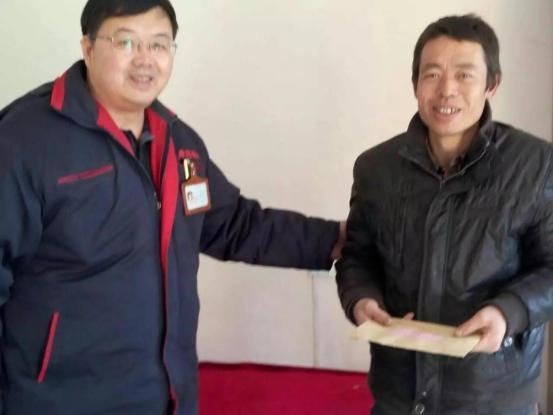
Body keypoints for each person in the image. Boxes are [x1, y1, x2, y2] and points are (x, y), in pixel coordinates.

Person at [0, 1, 345, 414]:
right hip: (59, 401)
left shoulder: (179, 142)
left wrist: (337, 240)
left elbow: (235, 226)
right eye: (127, 42)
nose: (145, 59)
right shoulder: (25, 141)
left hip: (166, 397)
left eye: (160, 44)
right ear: (88, 48)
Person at [336, 14, 552, 415]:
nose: (446, 90)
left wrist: (507, 313)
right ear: (415, 84)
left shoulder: (537, 165)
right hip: (399, 393)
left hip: (494, 397)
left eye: (465, 75)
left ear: (492, 84)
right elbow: (358, 257)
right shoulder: (375, 168)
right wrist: (359, 299)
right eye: (432, 74)